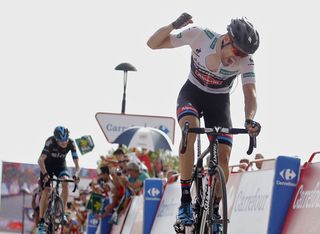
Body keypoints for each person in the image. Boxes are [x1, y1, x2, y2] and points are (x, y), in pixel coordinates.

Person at [147, 13, 261, 231]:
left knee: (224, 158)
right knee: (189, 132)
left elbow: (250, 94)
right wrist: (174, 25)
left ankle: (214, 209)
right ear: (227, 38)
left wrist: (249, 119)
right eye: (237, 51)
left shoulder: (246, 61)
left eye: (243, 54)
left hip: (219, 103)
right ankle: (185, 202)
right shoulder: (199, 36)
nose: (238, 58)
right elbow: (152, 44)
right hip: (192, 94)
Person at [37, 126, 80, 234]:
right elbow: (40, 160)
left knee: (65, 182)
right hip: (47, 166)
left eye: (65, 141)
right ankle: (42, 221)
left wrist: (76, 175)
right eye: (61, 142)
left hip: (60, 166)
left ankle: (63, 213)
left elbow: (77, 164)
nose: (64, 144)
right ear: (56, 139)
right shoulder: (50, 141)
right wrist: (45, 174)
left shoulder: (71, 143)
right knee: (46, 190)